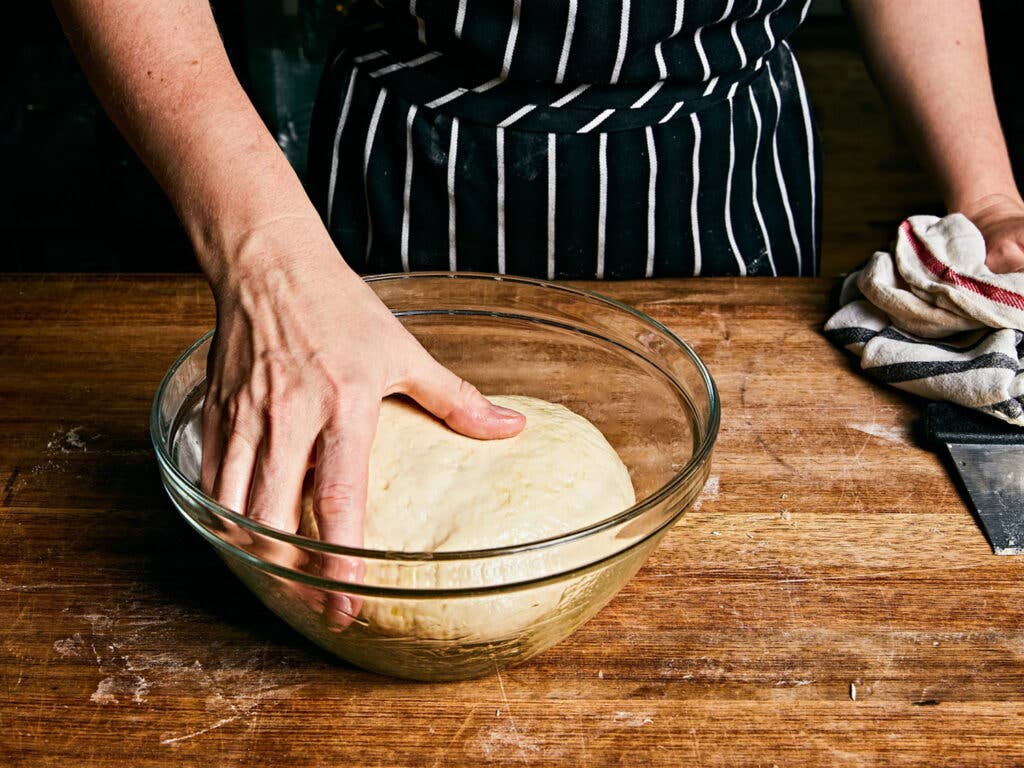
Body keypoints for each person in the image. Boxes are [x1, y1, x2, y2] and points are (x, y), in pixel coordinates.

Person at [53, 0, 1024, 549]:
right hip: (405, 174)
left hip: (724, 178)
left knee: (739, 542)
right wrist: (262, 252)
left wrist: (983, 198)